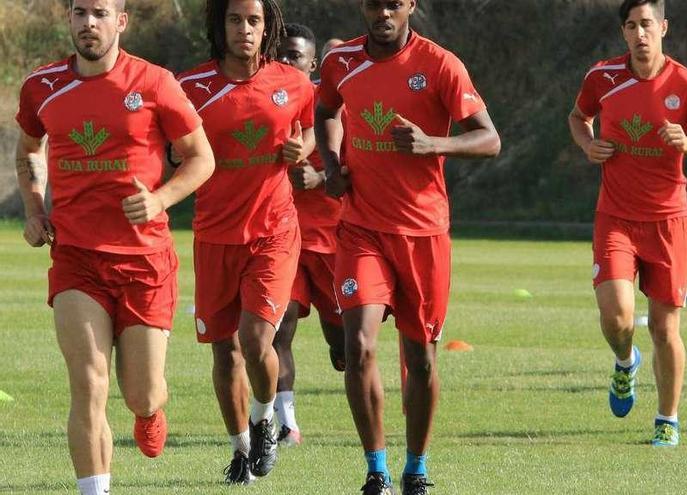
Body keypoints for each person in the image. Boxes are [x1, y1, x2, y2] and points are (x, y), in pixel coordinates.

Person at [14, 0, 214, 493]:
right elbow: (27, 151)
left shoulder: (154, 83)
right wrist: (35, 209)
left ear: (120, 21)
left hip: (145, 260)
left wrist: (161, 199)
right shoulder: (42, 86)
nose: (89, 23)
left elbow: (201, 158)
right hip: (76, 257)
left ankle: (149, 411)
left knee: (141, 394)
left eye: (100, 13)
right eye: (80, 13)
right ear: (69, 20)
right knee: (88, 383)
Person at [316, 1, 501, 492]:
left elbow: (489, 139)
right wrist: (332, 167)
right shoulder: (340, 62)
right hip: (361, 229)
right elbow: (326, 111)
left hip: (423, 234)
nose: (383, 12)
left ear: (410, 6)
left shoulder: (440, 64)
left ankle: (415, 467)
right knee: (358, 347)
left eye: (394, 4)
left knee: (419, 360)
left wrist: (434, 145)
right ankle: (375, 469)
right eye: (374, 2)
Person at [568, 0, 687, 447]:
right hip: (616, 218)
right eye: (631, 25)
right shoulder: (602, 77)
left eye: (647, 24)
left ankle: (667, 418)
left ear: (663, 27)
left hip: (669, 222)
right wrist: (588, 144)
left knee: (665, 328)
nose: (640, 33)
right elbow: (578, 116)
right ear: (624, 32)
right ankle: (625, 362)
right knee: (617, 316)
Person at [176, 0, 315, 484]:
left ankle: (263, 419)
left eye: (253, 20)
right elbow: (167, 149)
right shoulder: (189, 88)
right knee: (223, 352)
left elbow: (311, 129)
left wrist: (305, 148)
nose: (245, 29)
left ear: (267, 26)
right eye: (235, 20)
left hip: (273, 230)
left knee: (256, 340)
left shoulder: (292, 83)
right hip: (214, 235)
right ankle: (239, 449)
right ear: (221, 25)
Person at [271, 23, 346, 447]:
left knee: (344, 349)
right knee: (278, 330)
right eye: (278, 55)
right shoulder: (264, 103)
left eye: (294, 56)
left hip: (332, 241)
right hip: (282, 240)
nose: (285, 62)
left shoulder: (334, 106)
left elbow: (363, 163)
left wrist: (323, 176)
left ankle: (342, 353)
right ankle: (287, 424)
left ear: (311, 63)